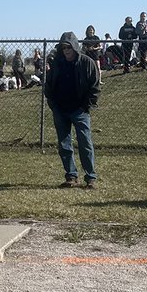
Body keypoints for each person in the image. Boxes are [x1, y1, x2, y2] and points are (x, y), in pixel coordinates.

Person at [44, 33, 100, 189]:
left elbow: (95, 87)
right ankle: (71, 176)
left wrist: (86, 106)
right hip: (60, 109)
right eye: (63, 47)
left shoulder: (87, 63)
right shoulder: (57, 64)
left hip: (80, 110)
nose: (66, 50)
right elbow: (48, 85)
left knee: (85, 143)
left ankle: (91, 178)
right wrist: (53, 105)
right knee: (64, 145)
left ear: (75, 47)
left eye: (69, 47)